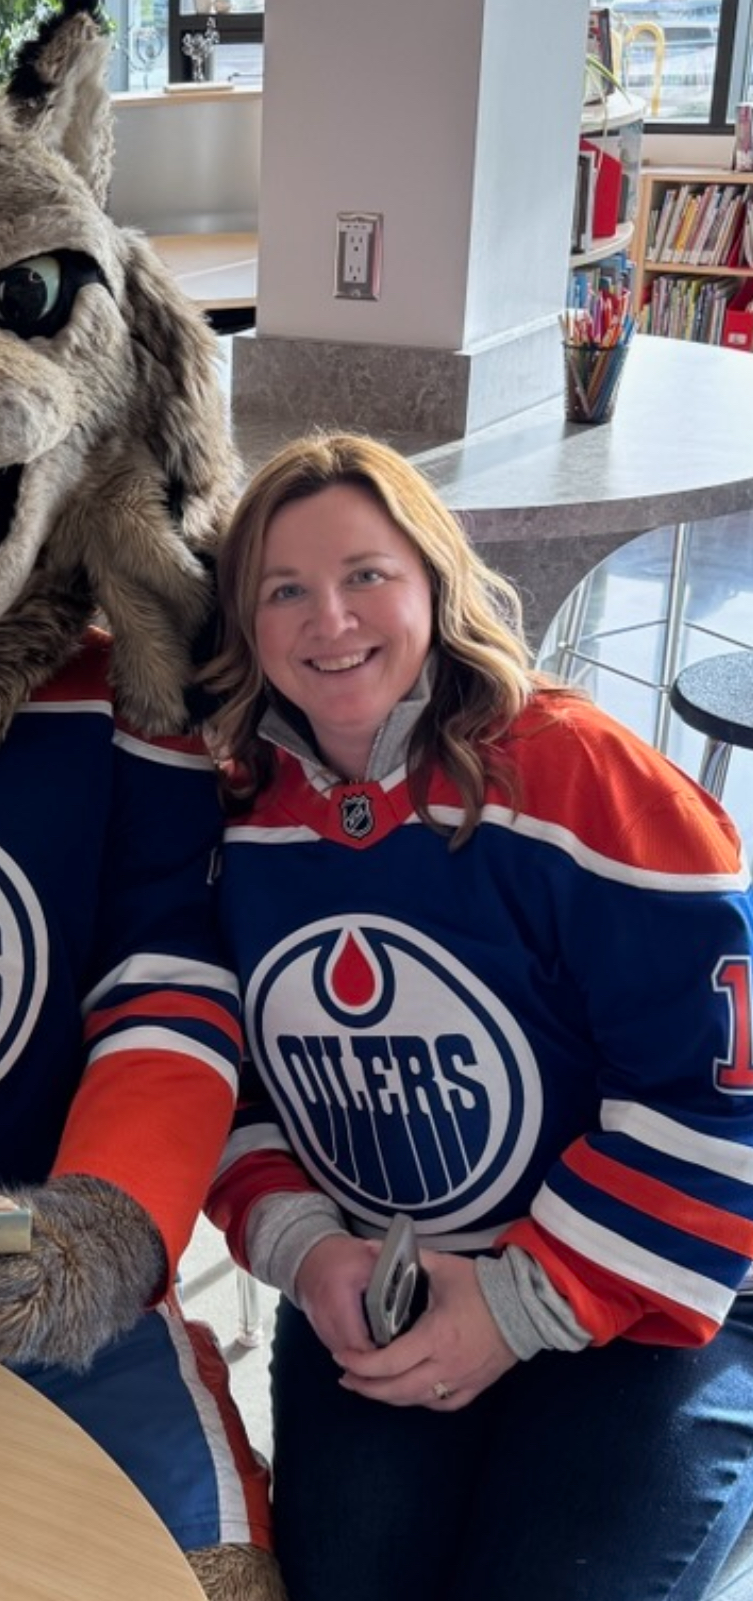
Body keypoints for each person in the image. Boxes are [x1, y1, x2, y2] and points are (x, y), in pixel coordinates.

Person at [202, 432, 753, 1601]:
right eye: (283, 590)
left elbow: (721, 1093)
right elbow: (227, 1086)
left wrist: (518, 1303)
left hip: (643, 1298)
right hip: (390, 1278)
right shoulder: (228, 825)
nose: (329, 618)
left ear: (432, 579)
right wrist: (308, 1256)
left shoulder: (585, 781)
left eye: (364, 574)